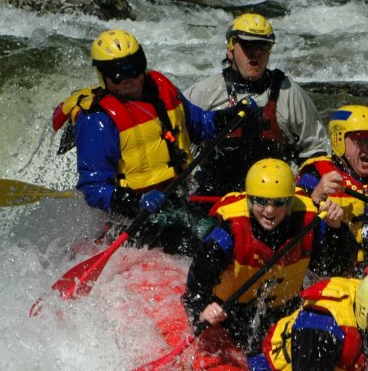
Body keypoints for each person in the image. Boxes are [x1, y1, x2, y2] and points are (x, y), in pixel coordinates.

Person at [51, 29, 253, 254]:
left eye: (134, 69)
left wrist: (232, 116)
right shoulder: (97, 121)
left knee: (226, 236)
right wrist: (135, 201)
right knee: (196, 248)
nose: (129, 80)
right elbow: (93, 187)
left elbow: (199, 124)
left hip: (178, 200)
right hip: (133, 218)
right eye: (118, 75)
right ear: (103, 76)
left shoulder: (161, 90)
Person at [182, 159, 356, 357]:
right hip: (232, 313)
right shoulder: (228, 233)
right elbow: (196, 282)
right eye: (261, 201)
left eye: (278, 202)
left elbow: (338, 267)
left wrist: (336, 230)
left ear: (289, 202)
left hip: (284, 310)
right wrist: (201, 311)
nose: (269, 211)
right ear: (250, 200)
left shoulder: (307, 221)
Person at [184, 13, 329, 198]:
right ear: (230, 49)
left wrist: (307, 191)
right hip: (217, 200)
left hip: (274, 204)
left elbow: (316, 151)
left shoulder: (290, 92)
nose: (255, 53)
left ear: (270, 50)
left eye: (262, 45)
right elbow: (179, 144)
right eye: (247, 45)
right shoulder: (203, 94)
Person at [297, 105, 368, 270]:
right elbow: (290, 230)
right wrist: (314, 198)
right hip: (335, 268)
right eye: (360, 141)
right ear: (339, 140)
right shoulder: (314, 176)